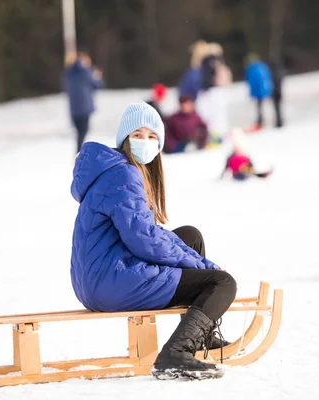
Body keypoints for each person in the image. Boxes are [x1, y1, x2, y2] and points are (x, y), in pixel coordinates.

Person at [70, 101, 237, 380]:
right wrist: (202, 266)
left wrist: (195, 259)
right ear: (125, 140)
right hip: (109, 281)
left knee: (190, 236)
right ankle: (176, 354)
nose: (145, 142)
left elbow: (145, 232)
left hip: (100, 277)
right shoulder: (123, 174)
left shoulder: (114, 169)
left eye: (152, 136)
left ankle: (200, 336)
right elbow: (143, 240)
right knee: (222, 283)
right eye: (137, 135)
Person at [63, 49, 103, 155]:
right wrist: (97, 77)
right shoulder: (86, 72)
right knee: (83, 132)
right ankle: (79, 153)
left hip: (73, 109)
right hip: (84, 108)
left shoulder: (69, 73)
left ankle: (79, 152)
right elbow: (96, 85)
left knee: (79, 132)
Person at [196, 43, 232, 145]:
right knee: (215, 116)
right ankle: (216, 135)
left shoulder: (207, 63)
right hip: (214, 91)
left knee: (213, 116)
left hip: (212, 91)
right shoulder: (213, 63)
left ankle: (216, 134)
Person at [244, 53, 273, 130]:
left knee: (259, 107)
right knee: (261, 107)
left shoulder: (252, 69)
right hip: (263, 90)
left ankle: (261, 121)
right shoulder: (262, 67)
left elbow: (252, 82)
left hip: (258, 91)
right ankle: (261, 120)